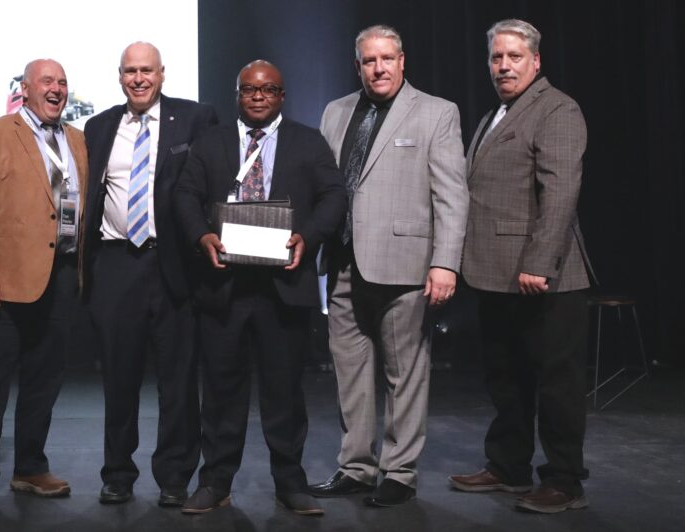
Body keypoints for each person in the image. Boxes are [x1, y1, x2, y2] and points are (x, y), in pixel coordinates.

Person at [174, 60, 346, 516]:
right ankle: (215, 482)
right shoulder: (209, 144)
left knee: (285, 392)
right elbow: (185, 196)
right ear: (237, 94)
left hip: (284, 286)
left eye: (268, 89)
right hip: (223, 286)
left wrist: (308, 237)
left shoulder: (308, 142)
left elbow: (334, 195)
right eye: (249, 89)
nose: (257, 96)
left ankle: (290, 483)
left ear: (282, 96)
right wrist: (201, 236)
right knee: (221, 392)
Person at [308, 24, 468, 507]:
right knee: (350, 374)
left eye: (387, 59)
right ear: (357, 66)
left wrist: (445, 264)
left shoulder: (437, 112)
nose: (378, 68)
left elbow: (452, 195)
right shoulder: (335, 111)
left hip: (405, 265)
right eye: (368, 61)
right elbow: (322, 185)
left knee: (405, 374)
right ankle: (356, 466)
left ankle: (399, 472)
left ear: (403, 62)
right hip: (342, 262)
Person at [448, 19, 593, 514]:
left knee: (556, 383)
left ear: (535, 60)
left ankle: (564, 481)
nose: (503, 66)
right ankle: (509, 467)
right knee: (507, 376)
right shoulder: (498, 113)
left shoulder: (557, 108)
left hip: (543, 277)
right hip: (496, 271)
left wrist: (539, 263)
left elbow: (561, 192)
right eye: (496, 58)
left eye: (513, 56)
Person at [81, 41, 217, 507]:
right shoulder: (98, 127)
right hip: (116, 263)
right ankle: (118, 473)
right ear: (120, 76)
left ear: (162, 74)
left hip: (173, 264)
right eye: (130, 71)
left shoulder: (195, 119)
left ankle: (175, 476)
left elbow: (212, 186)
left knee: (178, 380)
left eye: (147, 71)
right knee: (119, 378)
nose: (138, 79)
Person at [0, 58, 87, 511]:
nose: (57, 89)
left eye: (63, 82)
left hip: (63, 276)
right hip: (3, 282)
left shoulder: (77, 140)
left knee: (43, 382)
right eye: (47, 81)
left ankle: (30, 467)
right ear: (25, 89)